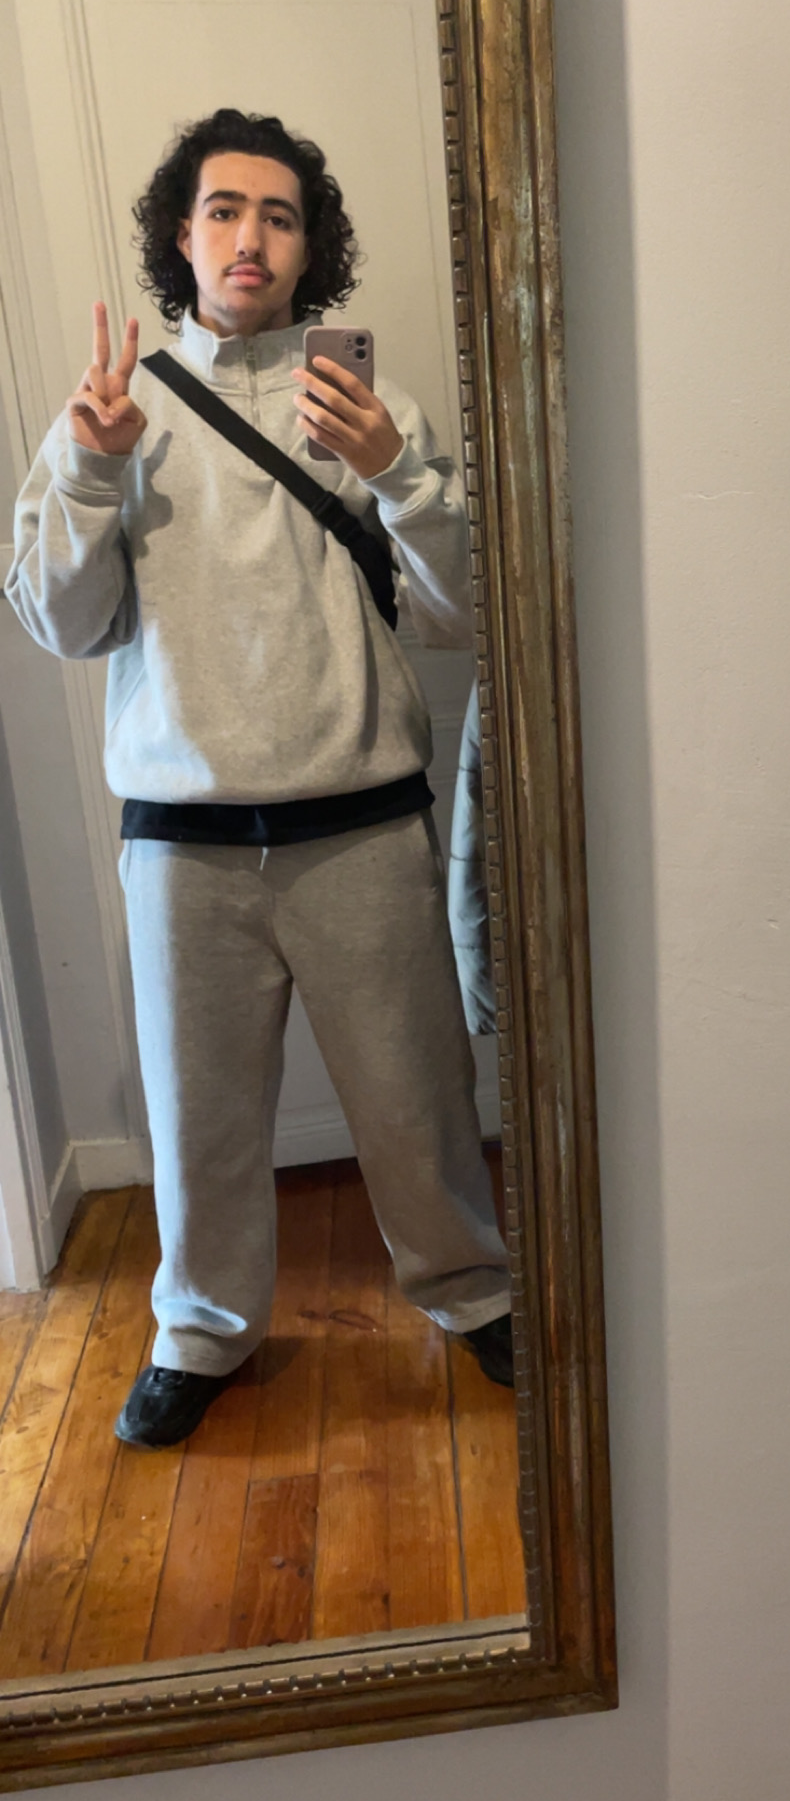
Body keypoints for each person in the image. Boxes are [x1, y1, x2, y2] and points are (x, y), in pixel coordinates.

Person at [4, 106, 513, 1448]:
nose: (250, 237)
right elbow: (61, 626)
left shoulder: (367, 407)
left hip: (361, 821)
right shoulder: (111, 415)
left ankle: (471, 1289)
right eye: (224, 210)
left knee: (416, 1098)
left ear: (309, 247)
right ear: (182, 237)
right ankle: (200, 1329)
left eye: (279, 216)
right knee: (201, 1118)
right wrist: (92, 473)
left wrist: (396, 474)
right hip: (183, 840)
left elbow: (465, 614)